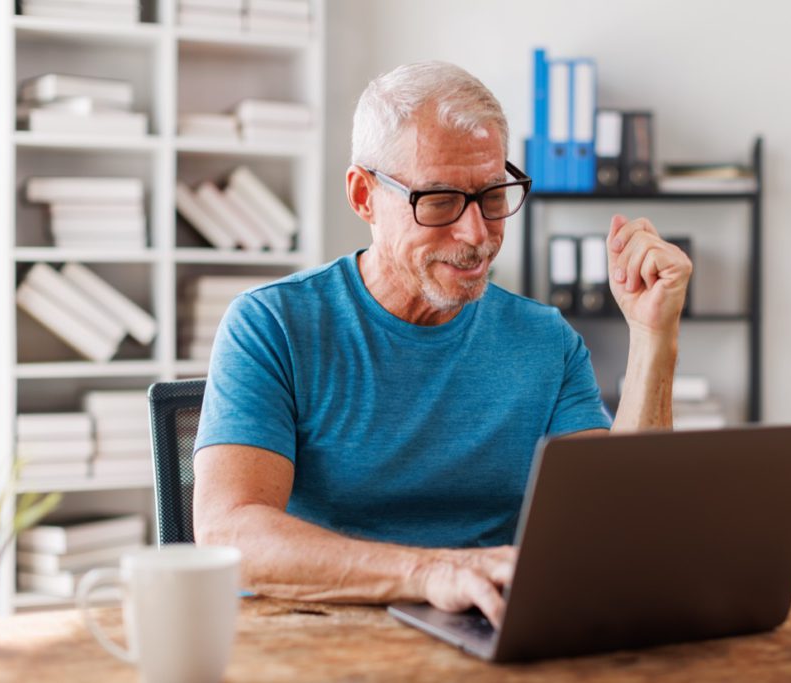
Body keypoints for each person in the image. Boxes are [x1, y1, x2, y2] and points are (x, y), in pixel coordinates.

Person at [192, 61, 691, 628]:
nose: (477, 234)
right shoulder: (272, 324)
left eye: (493, 196)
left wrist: (653, 335)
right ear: (363, 196)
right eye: (439, 201)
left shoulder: (544, 341)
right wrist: (431, 573)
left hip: (487, 634)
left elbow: (619, 525)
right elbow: (230, 534)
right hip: (317, 634)